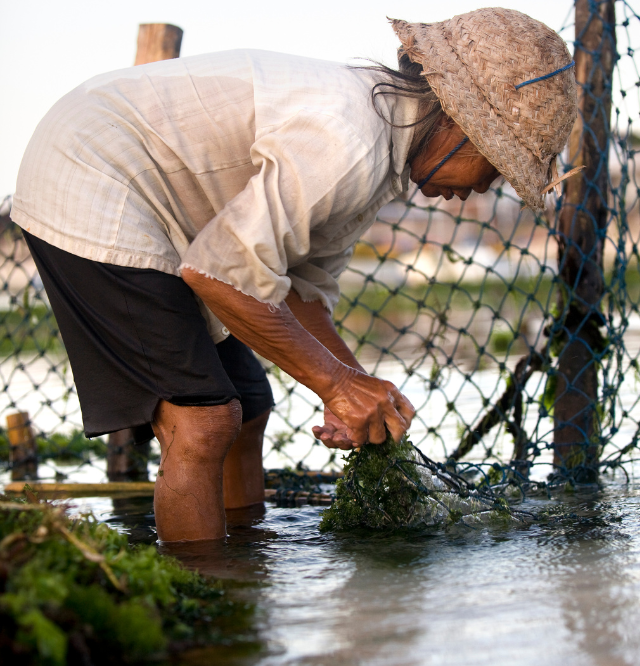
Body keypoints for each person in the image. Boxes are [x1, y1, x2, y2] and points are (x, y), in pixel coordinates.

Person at [10, 8, 577, 541]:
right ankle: (206, 600)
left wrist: (354, 390)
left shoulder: (383, 149)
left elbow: (301, 293)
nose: (485, 187)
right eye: (496, 163)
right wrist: (334, 383)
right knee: (203, 422)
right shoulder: (348, 136)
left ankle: (246, 566)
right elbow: (218, 274)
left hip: (166, 218)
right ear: (457, 121)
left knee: (250, 404)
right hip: (90, 175)